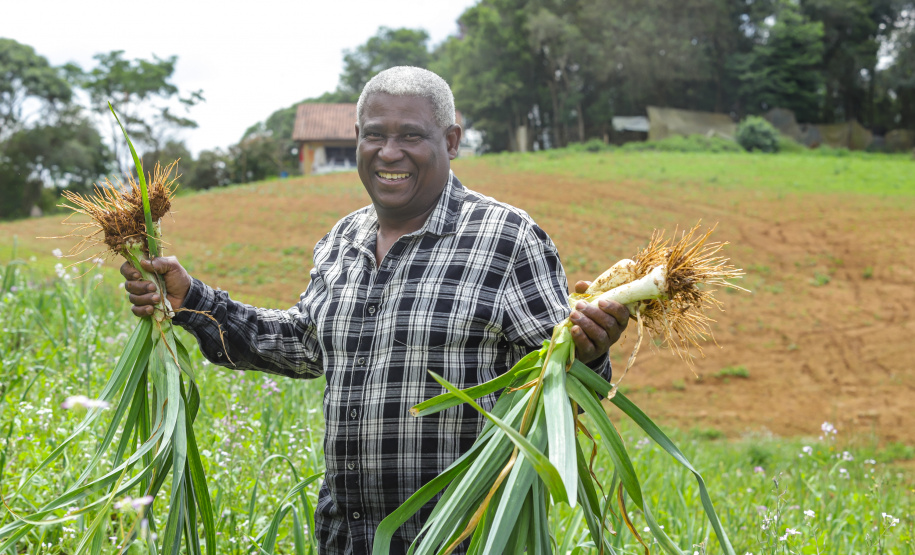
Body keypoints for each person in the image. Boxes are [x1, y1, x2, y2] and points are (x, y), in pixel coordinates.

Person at [122, 66, 628, 555]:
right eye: (375, 136)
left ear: (451, 140)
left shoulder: (507, 239)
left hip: (460, 540)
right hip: (346, 538)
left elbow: (557, 390)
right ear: (357, 137)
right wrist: (189, 298)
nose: (390, 153)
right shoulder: (343, 240)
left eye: (411, 136)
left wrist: (590, 351)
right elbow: (303, 346)